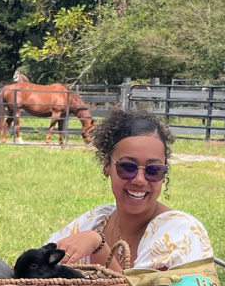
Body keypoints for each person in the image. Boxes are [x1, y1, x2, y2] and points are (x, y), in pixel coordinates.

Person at [48, 108, 213, 273]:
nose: (140, 180)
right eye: (127, 167)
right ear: (107, 165)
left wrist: (99, 248)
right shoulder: (95, 221)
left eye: (153, 169)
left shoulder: (181, 234)